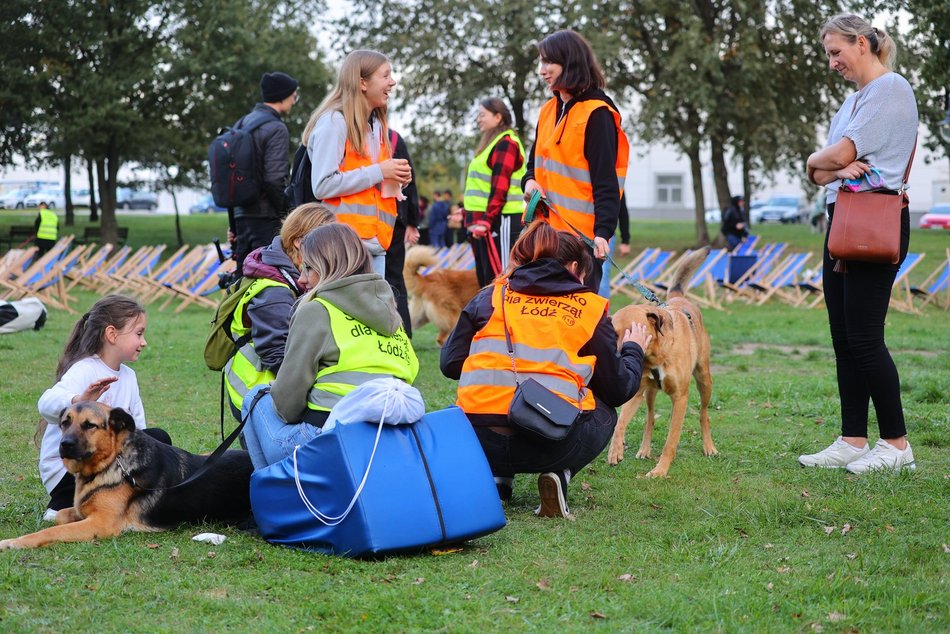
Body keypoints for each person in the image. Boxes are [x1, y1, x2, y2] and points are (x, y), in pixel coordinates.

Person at [440, 221, 651, 518]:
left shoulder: (490, 296)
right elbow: (618, 390)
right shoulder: (588, 307)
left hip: (478, 440)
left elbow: (450, 364)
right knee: (602, 410)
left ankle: (497, 478)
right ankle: (559, 473)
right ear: (576, 267)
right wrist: (633, 349)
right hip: (549, 442)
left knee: (491, 404)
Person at [800, 14, 918, 473]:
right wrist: (822, 166)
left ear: (864, 43)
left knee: (866, 338)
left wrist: (815, 160)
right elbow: (824, 174)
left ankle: (897, 446)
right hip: (842, 221)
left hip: (875, 222)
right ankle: (852, 439)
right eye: (827, 54)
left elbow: (833, 159)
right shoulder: (852, 102)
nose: (832, 62)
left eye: (837, 51)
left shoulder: (891, 89)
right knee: (844, 339)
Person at [241, 223, 419, 469]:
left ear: (327, 268)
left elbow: (287, 406)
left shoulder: (317, 310)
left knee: (253, 398)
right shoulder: (392, 315)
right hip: (387, 439)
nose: (302, 279)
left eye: (308, 268)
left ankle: (273, 496)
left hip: (327, 444)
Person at [36, 295, 171, 521]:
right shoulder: (84, 369)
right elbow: (45, 404)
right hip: (69, 471)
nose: (144, 341)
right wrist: (78, 399)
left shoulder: (129, 377)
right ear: (112, 334)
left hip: (107, 467)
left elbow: (139, 432)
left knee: (158, 439)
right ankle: (62, 506)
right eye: (138, 333)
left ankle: (124, 500)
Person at [522, 29, 630, 294]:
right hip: (542, 236)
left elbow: (606, 183)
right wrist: (529, 182)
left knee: (578, 318)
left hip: (580, 241)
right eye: (541, 62)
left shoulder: (597, 113)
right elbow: (531, 166)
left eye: (549, 62)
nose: (541, 70)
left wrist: (603, 233)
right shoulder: (548, 110)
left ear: (569, 63)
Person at [302, 50, 412, 275]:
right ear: (362, 82)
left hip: (375, 245)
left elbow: (370, 184)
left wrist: (396, 179)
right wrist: (380, 171)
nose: (392, 82)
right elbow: (323, 185)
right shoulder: (334, 123)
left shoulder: (376, 125)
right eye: (385, 75)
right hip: (344, 248)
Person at [224, 203, 336, 421]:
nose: (334, 249)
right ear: (299, 243)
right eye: (327, 242)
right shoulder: (274, 292)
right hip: (256, 395)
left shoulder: (293, 277)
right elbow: (278, 356)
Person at [231, 71, 300, 275]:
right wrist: (287, 214)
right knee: (268, 280)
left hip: (241, 216)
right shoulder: (276, 128)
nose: (294, 101)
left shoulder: (241, 124)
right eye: (294, 96)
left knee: (244, 283)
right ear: (283, 95)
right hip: (265, 218)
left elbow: (229, 177)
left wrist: (233, 222)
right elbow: (274, 179)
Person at [463, 98, 528, 287]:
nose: (478, 119)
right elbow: (482, 188)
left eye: (482, 115)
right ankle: (490, 317)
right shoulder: (492, 144)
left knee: (501, 277)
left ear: (498, 117)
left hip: (502, 220)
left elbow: (500, 187)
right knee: (487, 279)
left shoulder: (506, 143)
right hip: (487, 221)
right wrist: (466, 211)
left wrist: (486, 220)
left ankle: (504, 316)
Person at [385, 128, 421, 337]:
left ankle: (402, 333)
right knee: (394, 279)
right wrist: (411, 221)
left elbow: (408, 181)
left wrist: (411, 222)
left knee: (392, 280)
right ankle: (403, 334)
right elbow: (411, 182)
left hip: (389, 221)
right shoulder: (394, 137)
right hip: (393, 220)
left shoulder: (393, 138)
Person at [597, 200, 631, 298]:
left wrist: (625, 240)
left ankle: (603, 312)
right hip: (578, 232)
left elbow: (622, 211)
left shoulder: (616, 185)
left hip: (605, 235)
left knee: (602, 276)